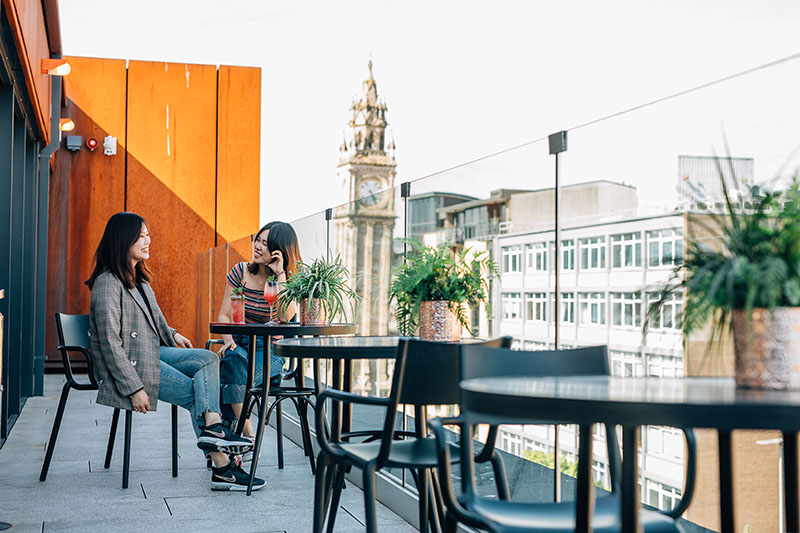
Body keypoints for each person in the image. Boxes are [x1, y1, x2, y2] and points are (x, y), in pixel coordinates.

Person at [86, 212, 265, 491]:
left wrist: (173, 334)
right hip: (130, 365)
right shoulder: (108, 283)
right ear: (123, 239)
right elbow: (110, 343)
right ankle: (223, 468)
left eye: (147, 234)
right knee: (198, 394)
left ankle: (214, 427)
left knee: (207, 358)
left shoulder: (138, 279)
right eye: (142, 235)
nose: (148, 240)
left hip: (150, 351)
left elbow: (149, 320)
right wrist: (134, 388)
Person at [216, 221, 301, 445]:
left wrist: (280, 274)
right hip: (240, 343)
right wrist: (228, 340)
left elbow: (285, 317)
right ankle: (250, 436)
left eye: (266, 244)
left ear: (278, 251)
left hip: (270, 350)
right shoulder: (240, 271)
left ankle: (230, 439)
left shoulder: (286, 279)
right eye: (258, 240)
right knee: (233, 361)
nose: (258, 247)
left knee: (229, 375)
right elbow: (224, 314)